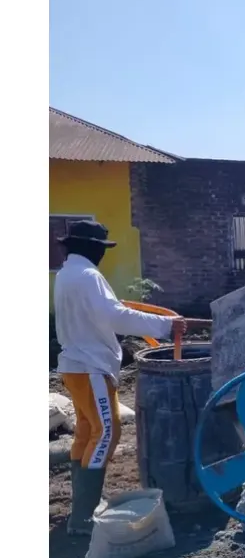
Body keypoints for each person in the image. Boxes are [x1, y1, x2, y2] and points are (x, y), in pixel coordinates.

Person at [54, 220, 189, 536]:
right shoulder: (88, 276)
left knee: (87, 431)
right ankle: (83, 518)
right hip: (91, 366)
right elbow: (115, 316)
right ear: (91, 248)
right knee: (107, 433)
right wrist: (167, 326)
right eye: (101, 248)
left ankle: (82, 507)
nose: (103, 254)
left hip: (76, 365)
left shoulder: (65, 274)